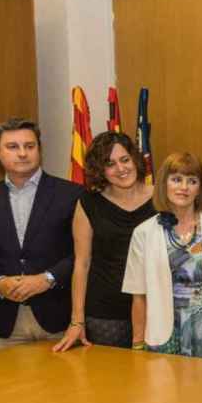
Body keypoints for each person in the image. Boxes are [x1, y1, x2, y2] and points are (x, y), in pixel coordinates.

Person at [0, 118, 83, 350]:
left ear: (39, 149)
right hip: (6, 322)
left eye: (30, 146)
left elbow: (85, 253)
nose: (23, 153)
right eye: (12, 147)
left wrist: (48, 278)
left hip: (61, 318)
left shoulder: (72, 195)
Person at [121, 152, 202, 360]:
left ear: (200, 188)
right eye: (176, 179)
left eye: (192, 181)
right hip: (166, 331)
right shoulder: (143, 233)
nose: (184, 187)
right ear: (164, 184)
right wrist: (137, 343)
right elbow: (138, 295)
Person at [53, 132, 156, 351]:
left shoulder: (162, 199)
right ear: (100, 170)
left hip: (156, 308)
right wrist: (77, 321)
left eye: (125, 159)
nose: (121, 168)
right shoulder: (88, 203)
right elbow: (82, 264)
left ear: (135, 159)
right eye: (110, 164)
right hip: (105, 313)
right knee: (108, 373)